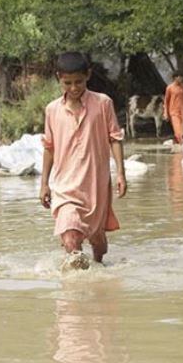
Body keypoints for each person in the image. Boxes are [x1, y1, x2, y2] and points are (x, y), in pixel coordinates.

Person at [40, 52, 127, 270]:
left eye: (78, 81)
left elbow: (115, 139)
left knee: (97, 242)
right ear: (58, 78)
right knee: (71, 238)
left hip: (95, 185)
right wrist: (44, 184)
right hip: (65, 187)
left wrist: (121, 174)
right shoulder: (52, 110)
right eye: (67, 83)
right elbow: (49, 148)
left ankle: (98, 267)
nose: (73, 87)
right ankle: (78, 292)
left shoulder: (103, 103)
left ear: (88, 76)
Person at [163, 72, 183, 151]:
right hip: (173, 111)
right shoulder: (169, 88)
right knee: (178, 129)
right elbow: (166, 101)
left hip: (182, 111)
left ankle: (177, 145)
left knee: (181, 129)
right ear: (175, 78)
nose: (181, 79)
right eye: (180, 77)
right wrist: (165, 113)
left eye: (182, 77)